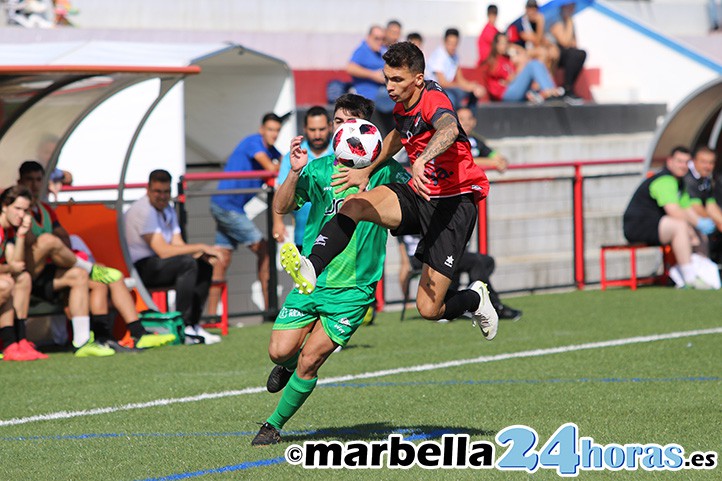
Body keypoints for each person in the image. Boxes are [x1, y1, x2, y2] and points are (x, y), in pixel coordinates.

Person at [280, 42, 499, 340]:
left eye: (397, 80)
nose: (390, 86)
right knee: (355, 204)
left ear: (418, 79)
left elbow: (448, 128)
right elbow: (399, 133)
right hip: (421, 194)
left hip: (454, 203)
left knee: (429, 309)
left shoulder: (433, 99)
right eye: (386, 78)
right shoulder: (402, 103)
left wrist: (422, 158)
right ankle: (312, 266)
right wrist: (366, 170)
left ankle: (475, 298)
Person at [251, 94, 411, 446]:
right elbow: (281, 206)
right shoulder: (320, 168)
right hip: (312, 277)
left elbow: (415, 197)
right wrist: (293, 173)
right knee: (279, 352)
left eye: (349, 123)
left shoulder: (386, 171)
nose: (341, 129)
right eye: (338, 122)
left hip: (353, 290)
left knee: (311, 359)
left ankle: (272, 425)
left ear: (367, 131)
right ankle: (287, 367)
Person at [18, 161, 123, 357]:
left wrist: (53, 249)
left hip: (42, 272)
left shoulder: (45, 210)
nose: (33, 185)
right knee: (48, 241)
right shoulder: (13, 205)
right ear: (20, 181)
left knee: (81, 276)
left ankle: (84, 342)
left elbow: (65, 238)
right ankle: (14, 342)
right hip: (20, 272)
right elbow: (27, 243)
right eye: (29, 180)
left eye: (38, 180)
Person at [125, 169, 224, 344]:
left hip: (156, 263)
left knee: (203, 265)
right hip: (138, 269)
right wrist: (201, 246)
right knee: (187, 264)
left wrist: (202, 254)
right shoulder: (143, 211)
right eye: (157, 191)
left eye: (166, 192)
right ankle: (182, 325)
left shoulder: (167, 209)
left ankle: (193, 324)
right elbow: (163, 251)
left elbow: (178, 245)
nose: (162, 196)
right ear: (148, 190)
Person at [209, 113, 281, 315]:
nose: (273, 134)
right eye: (270, 130)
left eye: (277, 130)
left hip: (226, 205)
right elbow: (272, 168)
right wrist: (279, 166)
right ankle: (269, 309)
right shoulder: (253, 142)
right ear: (262, 130)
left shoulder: (269, 148)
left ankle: (212, 316)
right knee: (264, 249)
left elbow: (283, 162)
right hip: (227, 206)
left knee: (222, 258)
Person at [623, 146, 715, 289]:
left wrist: (699, 224)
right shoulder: (664, 180)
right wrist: (697, 223)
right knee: (680, 226)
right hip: (638, 226)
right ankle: (689, 278)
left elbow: (687, 209)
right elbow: (674, 211)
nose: (683, 166)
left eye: (686, 162)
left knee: (696, 229)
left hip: (659, 225)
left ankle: (702, 271)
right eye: (679, 161)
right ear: (670, 162)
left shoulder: (680, 183)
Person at [399, 234, 522, 321]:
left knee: (487, 261)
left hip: (437, 252)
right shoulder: (417, 208)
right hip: (425, 255)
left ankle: (461, 301)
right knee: (475, 262)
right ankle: (492, 306)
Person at [272, 107, 333, 250]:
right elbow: (281, 189)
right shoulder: (293, 156)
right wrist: (277, 222)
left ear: (330, 127)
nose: (317, 135)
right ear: (305, 128)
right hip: (305, 236)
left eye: (321, 129)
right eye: (312, 130)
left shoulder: (340, 152)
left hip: (336, 236)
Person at [0, 186, 47, 361]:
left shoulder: (9, 230)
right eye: (17, 209)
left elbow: (17, 264)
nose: (21, 215)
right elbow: (11, 267)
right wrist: (8, 270)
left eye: (25, 210)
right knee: (6, 284)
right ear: (4, 206)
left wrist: (21, 236)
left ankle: (18, 342)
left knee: (23, 278)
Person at [485, 33, 563, 103]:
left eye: (506, 43)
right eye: (502, 43)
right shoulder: (495, 61)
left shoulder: (507, 59)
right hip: (504, 94)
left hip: (512, 90)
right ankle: (549, 92)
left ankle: (549, 92)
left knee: (534, 65)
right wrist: (522, 66)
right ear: (496, 45)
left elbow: (512, 79)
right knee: (533, 64)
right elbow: (511, 79)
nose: (505, 45)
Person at [426, 28, 486, 110]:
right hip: (434, 90)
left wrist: (473, 86)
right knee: (451, 98)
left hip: (448, 88)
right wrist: (464, 86)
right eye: (450, 43)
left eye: (455, 44)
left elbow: (460, 79)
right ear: (445, 42)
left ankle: (470, 119)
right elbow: (442, 83)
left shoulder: (455, 56)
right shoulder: (439, 56)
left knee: (474, 93)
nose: (452, 46)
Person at [347, 25, 395, 114]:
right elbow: (350, 68)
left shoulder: (381, 51)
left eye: (382, 39)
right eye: (376, 38)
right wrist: (373, 75)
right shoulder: (363, 50)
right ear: (368, 37)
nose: (380, 42)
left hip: (383, 92)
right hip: (370, 96)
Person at [685, 146, 722, 261]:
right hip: (685, 222)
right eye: (703, 162)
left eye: (711, 163)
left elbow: (711, 206)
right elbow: (696, 208)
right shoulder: (688, 178)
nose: (707, 166)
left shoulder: (706, 178)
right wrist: (717, 223)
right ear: (694, 161)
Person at [549, 1, 587, 103]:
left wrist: (570, 24)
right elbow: (564, 42)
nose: (573, 9)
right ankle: (567, 88)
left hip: (567, 53)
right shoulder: (556, 21)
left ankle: (568, 88)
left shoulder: (569, 22)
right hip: (556, 54)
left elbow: (574, 44)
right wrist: (570, 22)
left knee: (581, 54)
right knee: (572, 54)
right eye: (571, 6)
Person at [506, 0, 558, 68]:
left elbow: (543, 39)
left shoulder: (534, 22)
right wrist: (540, 23)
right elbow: (537, 42)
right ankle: (539, 77)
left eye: (534, 11)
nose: (532, 13)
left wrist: (551, 46)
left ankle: (547, 77)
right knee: (542, 52)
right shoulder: (521, 23)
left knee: (553, 52)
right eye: (530, 10)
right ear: (526, 10)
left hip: (528, 50)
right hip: (517, 51)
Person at [457, 106, 508, 173]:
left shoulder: (477, 141)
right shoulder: (452, 142)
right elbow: (463, 162)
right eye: (461, 119)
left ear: (474, 121)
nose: (466, 123)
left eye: (469, 119)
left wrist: (502, 162)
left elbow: (496, 156)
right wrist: (490, 162)